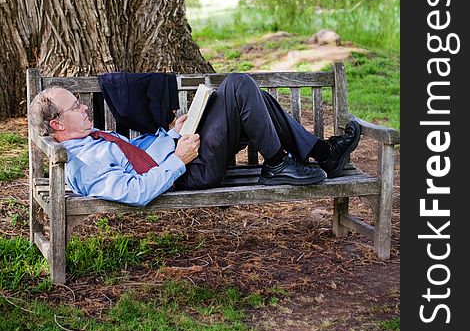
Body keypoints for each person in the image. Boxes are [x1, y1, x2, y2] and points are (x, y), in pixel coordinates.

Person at [29, 73, 361, 206]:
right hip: (188, 174)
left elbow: (136, 153)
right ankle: (279, 164)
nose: (85, 107)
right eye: (76, 106)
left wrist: (172, 132)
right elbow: (136, 191)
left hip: (183, 154)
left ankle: (323, 153)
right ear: (57, 123)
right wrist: (179, 159)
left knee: (247, 94)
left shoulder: (94, 139)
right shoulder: (84, 164)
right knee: (238, 86)